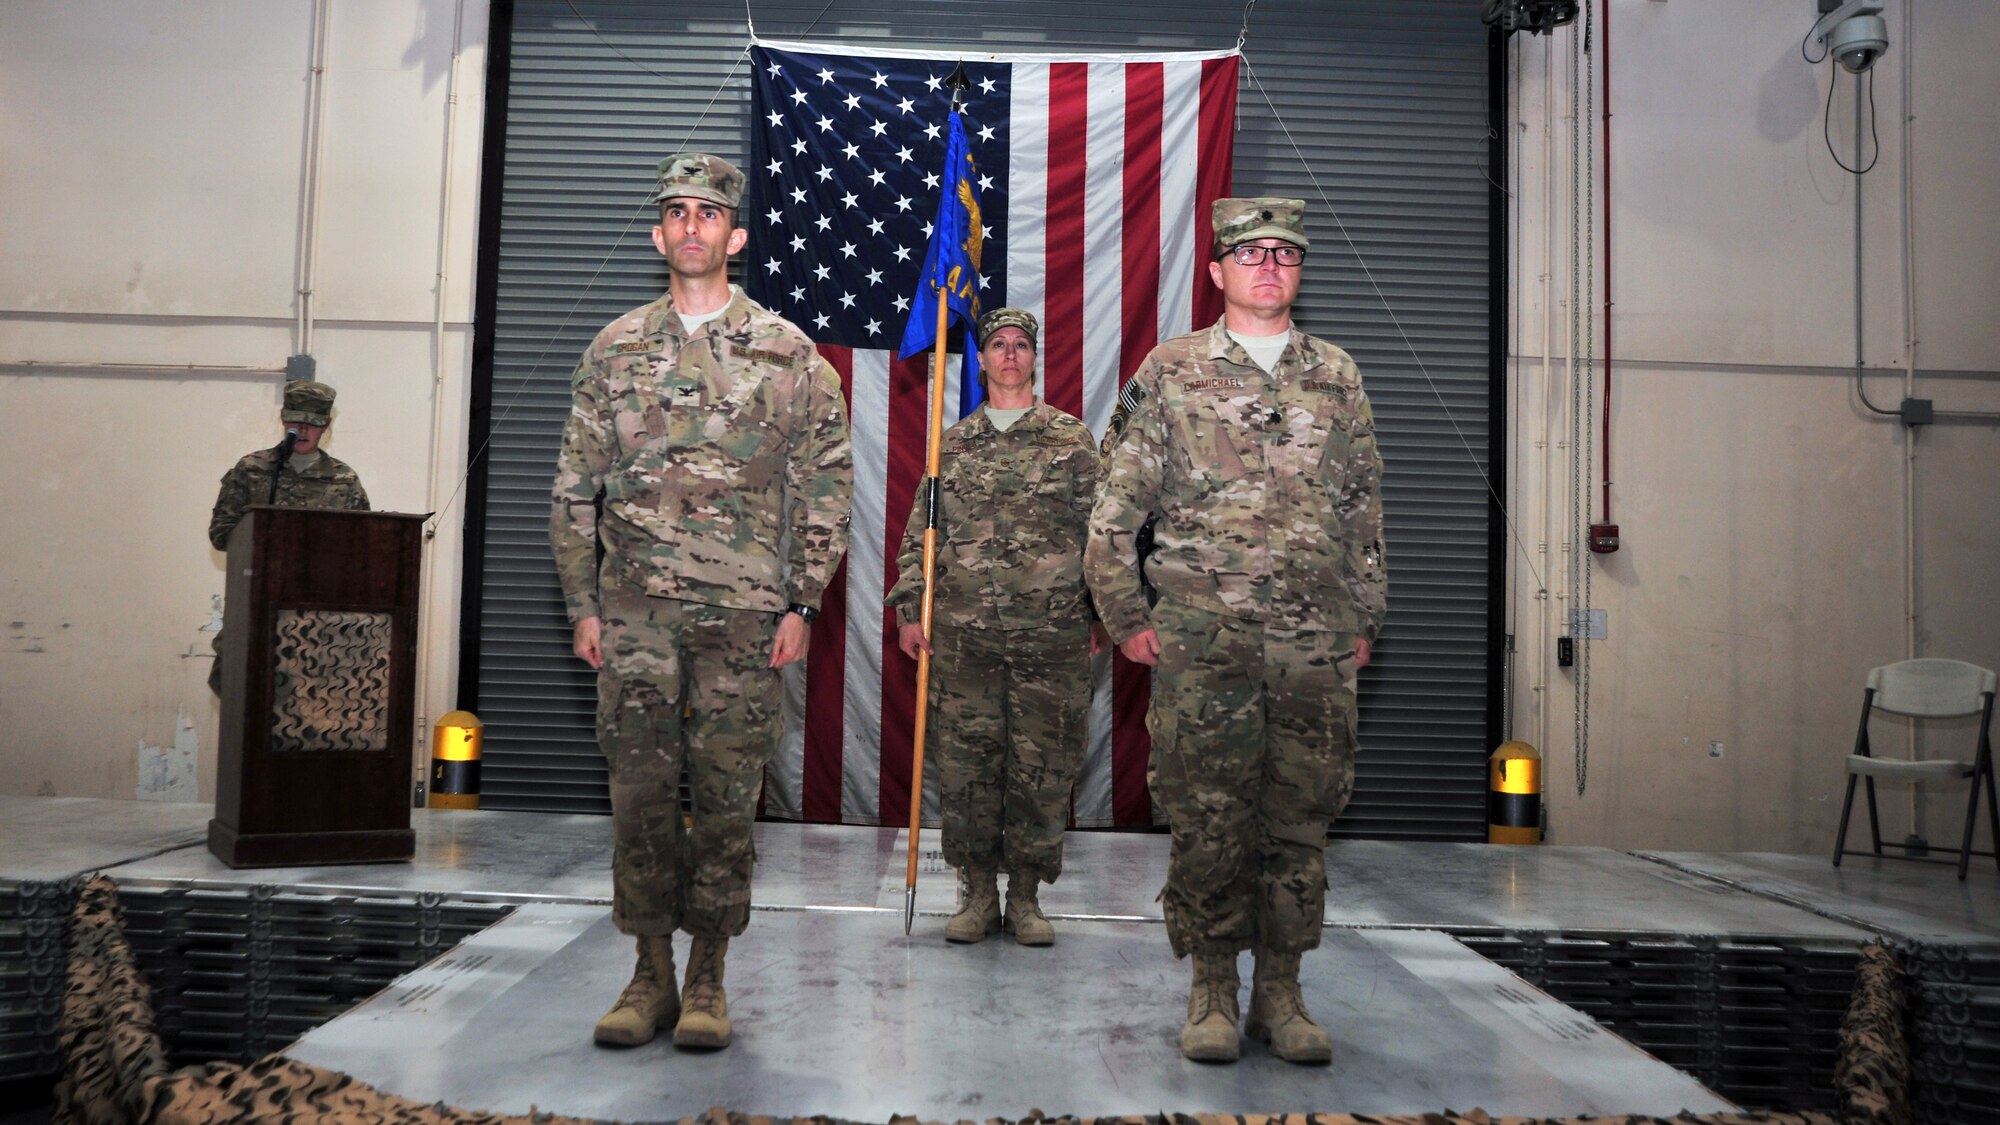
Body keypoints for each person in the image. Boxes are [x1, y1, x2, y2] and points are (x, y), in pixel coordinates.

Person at [549, 152, 853, 1052]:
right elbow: (574, 485)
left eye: (708, 213)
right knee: (640, 794)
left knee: (725, 796)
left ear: (736, 236)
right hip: (633, 610)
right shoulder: (613, 350)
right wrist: (582, 602)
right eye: (677, 212)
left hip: (745, 616)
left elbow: (826, 486)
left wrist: (803, 601)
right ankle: (649, 972)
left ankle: (710, 973)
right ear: (658, 235)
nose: (692, 226)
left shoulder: (788, 353)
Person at [1086, 198, 1387, 1065]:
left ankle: (1281, 992)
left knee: (1300, 819)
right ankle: (1213, 985)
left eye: (1284, 254)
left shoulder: (1336, 374)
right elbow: (1115, 507)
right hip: (1202, 641)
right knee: (1208, 817)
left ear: (1300, 270)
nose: (1268, 266)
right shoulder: (1172, 371)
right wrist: (1125, 615)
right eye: (1250, 253)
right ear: (1217, 270)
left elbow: (1362, 507)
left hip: (1313, 643)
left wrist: (1366, 615)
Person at [886, 308, 1102, 947]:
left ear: (1035, 358)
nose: (1009, 353)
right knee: (967, 770)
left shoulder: (1071, 440)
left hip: (1051, 637)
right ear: (980, 361)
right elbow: (920, 536)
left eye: (1021, 345)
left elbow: (1102, 536)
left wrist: (1102, 614)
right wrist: (909, 611)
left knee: (1043, 769)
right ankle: (978, 893)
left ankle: (1027, 898)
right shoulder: (950, 445)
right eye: (998, 345)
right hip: (965, 636)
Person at [206, 379, 370, 692]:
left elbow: (362, 547)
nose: (303, 430)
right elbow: (220, 533)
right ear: (283, 418)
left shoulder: (343, 479)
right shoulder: (252, 470)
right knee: (241, 689)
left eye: (313, 423)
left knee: (312, 699)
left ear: (326, 425)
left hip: (319, 612)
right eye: (296, 420)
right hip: (256, 602)